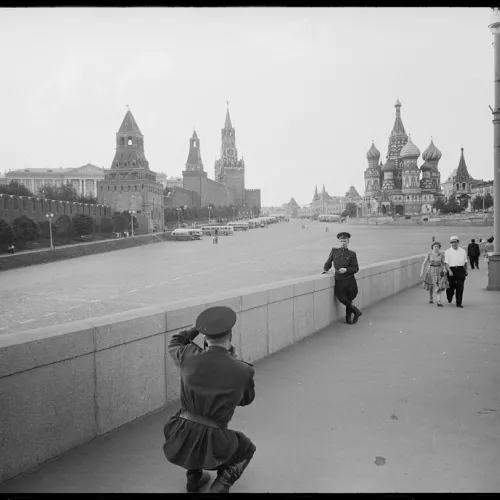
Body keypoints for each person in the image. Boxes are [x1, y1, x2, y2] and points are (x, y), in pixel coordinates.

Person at [163, 306, 256, 493]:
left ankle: (194, 478)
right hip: (215, 442)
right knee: (246, 449)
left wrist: (197, 327)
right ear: (230, 336)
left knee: (195, 431)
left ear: (206, 337)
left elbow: (175, 340)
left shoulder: (188, 355)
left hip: (179, 432)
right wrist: (234, 361)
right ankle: (220, 487)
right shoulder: (243, 370)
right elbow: (246, 399)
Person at [322, 231, 362, 325]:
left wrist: (346, 270)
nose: (342, 243)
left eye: (344, 241)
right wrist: (325, 269)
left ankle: (348, 319)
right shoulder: (334, 251)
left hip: (350, 280)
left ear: (348, 241)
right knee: (341, 298)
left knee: (349, 298)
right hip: (340, 280)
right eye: (341, 241)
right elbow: (328, 262)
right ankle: (356, 311)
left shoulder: (352, 254)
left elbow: (355, 268)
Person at [420, 241, 448, 306]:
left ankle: (438, 301)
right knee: (431, 285)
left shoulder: (441, 254)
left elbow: (443, 263)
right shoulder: (429, 254)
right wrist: (422, 272)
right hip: (431, 270)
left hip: (439, 270)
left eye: (437, 246)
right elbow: (424, 263)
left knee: (439, 285)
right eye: (435, 246)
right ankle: (431, 297)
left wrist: (444, 269)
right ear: (432, 247)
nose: (436, 248)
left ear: (439, 247)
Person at [444, 236, 468, 308]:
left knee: (460, 286)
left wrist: (466, 270)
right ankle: (449, 296)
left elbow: (466, 262)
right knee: (451, 286)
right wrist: (449, 270)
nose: (453, 244)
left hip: (461, 269)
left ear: (458, 242)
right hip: (451, 269)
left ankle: (459, 302)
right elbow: (446, 263)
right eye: (451, 242)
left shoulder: (463, 251)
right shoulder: (447, 251)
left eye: (455, 242)